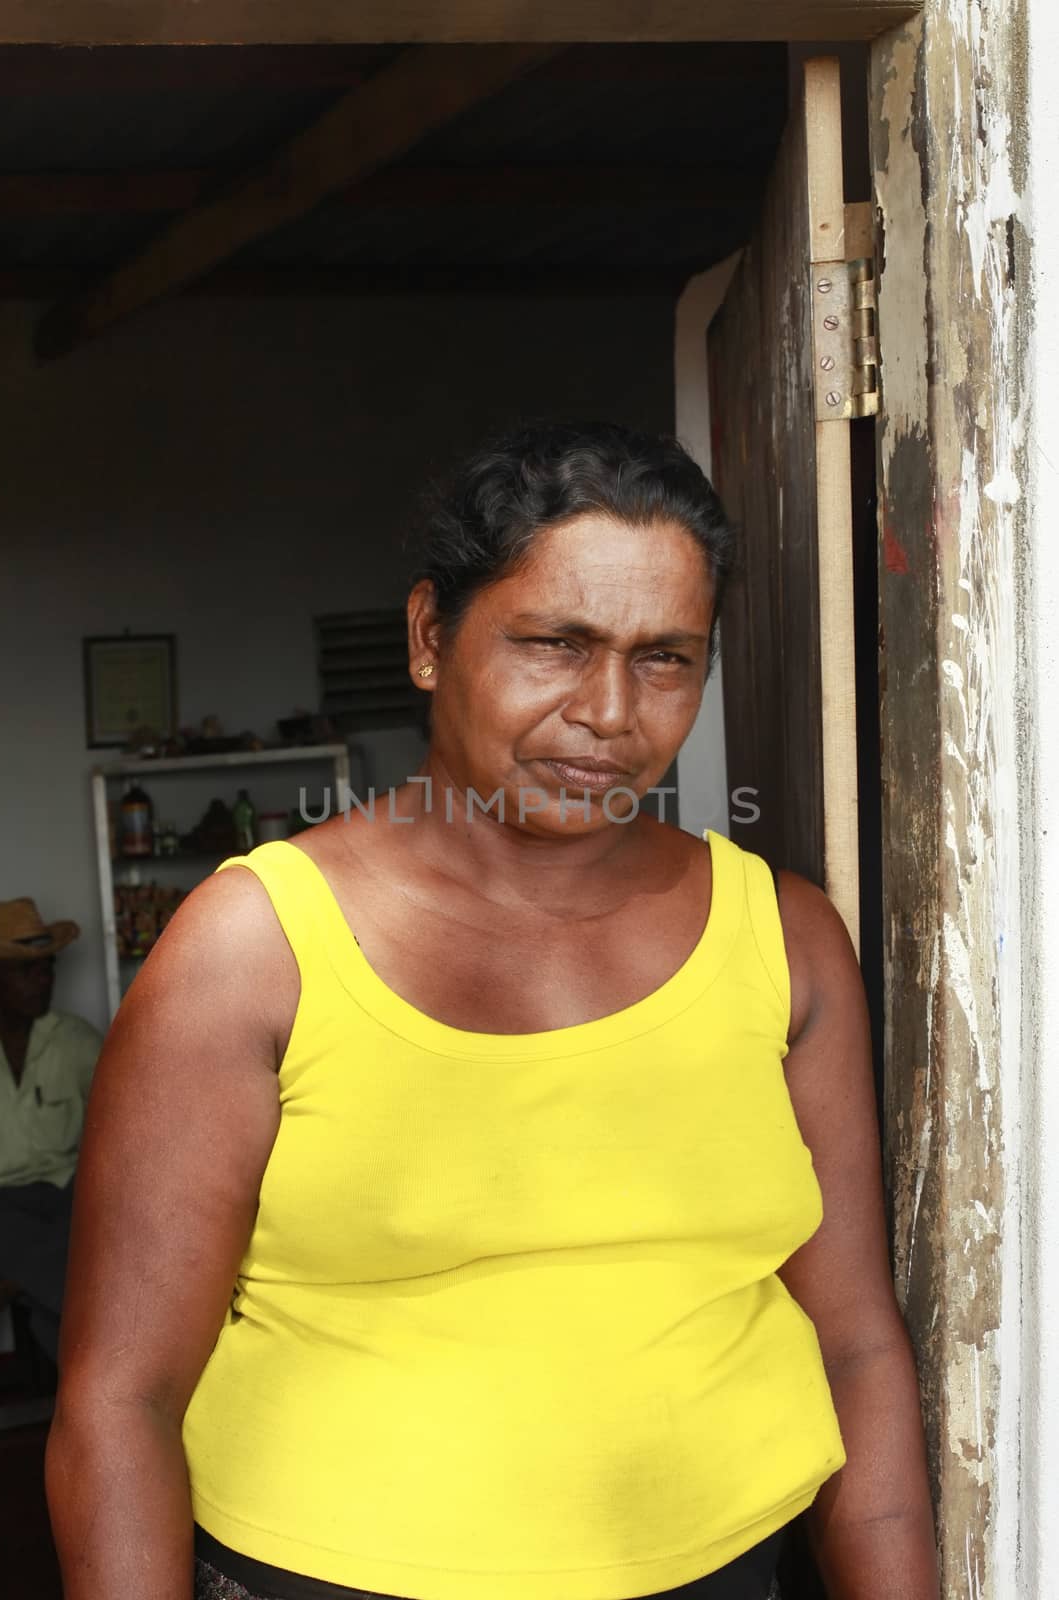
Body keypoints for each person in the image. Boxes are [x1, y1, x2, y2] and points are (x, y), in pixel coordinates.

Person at [47, 422, 939, 1600]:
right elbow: (122, 1398)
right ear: (429, 636)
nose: (609, 711)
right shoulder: (254, 950)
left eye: (664, 656)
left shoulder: (782, 939)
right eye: (554, 643)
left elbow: (855, 1345)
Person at [0, 898, 102, 1362]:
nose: (44, 980)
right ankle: (96, 1355)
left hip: (68, 1195)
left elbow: (128, 1134)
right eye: (26, 970)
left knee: (101, 1215)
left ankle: (19, 1284)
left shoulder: (76, 1041)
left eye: (48, 968)